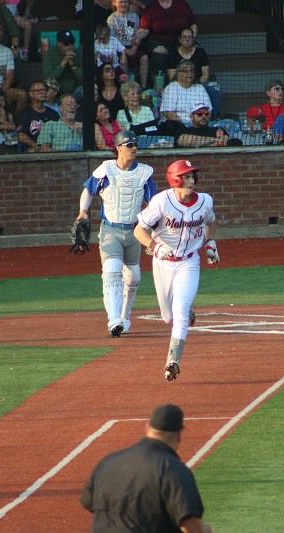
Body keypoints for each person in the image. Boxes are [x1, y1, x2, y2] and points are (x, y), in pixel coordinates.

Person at [133, 159, 219, 381]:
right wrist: (154, 246)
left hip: (189, 262)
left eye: (192, 176)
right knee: (168, 316)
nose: (191, 181)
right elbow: (139, 231)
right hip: (163, 262)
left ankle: (172, 360)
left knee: (179, 310)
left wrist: (210, 243)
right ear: (175, 180)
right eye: (186, 177)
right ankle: (187, 311)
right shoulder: (162, 201)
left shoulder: (205, 201)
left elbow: (211, 221)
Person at [81, 403, 213, 533]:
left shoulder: (108, 462)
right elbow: (189, 521)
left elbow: (88, 502)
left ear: (147, 428)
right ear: (178, 436)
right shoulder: (172, 468)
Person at [76, 129, 157, 337]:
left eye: (135, 145)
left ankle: (124, 316)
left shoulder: (145, 173)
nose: (134, 148)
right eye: (129, 145)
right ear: (118, 148)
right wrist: (83, 211)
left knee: (133, 275)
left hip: (135, 231)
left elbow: (154, 204)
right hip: (110, 229)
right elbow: (88, 191)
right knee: (112, 271)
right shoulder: (106, 169)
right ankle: (114, 320)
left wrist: (154, 233)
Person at [165, 27, 220, 118]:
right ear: (180, 39)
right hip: (180, 85)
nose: (187, 39)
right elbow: (172, 77)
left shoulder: (201, 52)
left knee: (215, 89)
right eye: (184, 37)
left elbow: (205, 74)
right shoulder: (173, 54)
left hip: (199, 83)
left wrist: (196, 84)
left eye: (189, 37)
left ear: (193, 39)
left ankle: (213, 119)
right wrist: (187, 84)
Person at [135, 0, 197, 76]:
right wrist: (137, 38)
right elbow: (144, 28)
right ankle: (158, 81)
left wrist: (192, 38)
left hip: (180, 39)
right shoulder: (152, 8)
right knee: (159, 52)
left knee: (195, 50)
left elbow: (193, 23)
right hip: (157, 40)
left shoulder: (182, 5)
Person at [107, 0, 149, 88]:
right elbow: (112, 40)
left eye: (125, 2)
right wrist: (125, 51)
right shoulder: (112, 18)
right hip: (119, 48)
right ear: (114, 3)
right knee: (124, 59)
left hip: (133, 46)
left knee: (144, 58)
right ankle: (125, 87)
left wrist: (134, 48)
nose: (123, 4)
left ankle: (143, 87)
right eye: (120, 2)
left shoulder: (134, 16)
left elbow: (138, 36)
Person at [159, 60, 210, 127]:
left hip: (198, 125)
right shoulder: (171, 88)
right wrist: (184, 126)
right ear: (178, 73)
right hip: (177, 125)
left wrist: (200, 123)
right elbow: (167, 112)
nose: (190, 73)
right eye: (186, 71)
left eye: (191, 71)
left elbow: (209, 110)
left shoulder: (200, 87)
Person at [174, 101, 240, 147]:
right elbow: (188, 142)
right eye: (199, 113)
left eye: (206, 113)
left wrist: (202, 144)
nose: (203, 116)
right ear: (191, 117)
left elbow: (228, 142)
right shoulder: (183, 130)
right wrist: (216, 140)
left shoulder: (218, 130)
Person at [42, 29, 84, 100]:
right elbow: (48, 79)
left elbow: (84, 79)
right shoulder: (49, 54)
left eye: (72, 42)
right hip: (57, 93)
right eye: (66, 43)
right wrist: (63, 63)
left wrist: (73, 66)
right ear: (59, 44)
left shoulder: (78, 53)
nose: (70, 46)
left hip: (77, 93)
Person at [17, 81, 59, 152]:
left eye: (44, 90)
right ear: (31, 94)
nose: (42, 92)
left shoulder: (53, 114)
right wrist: (37, 146)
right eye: (38, 90)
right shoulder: (26, 113)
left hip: (52, 148)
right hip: (35, 148)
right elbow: (21, 135)